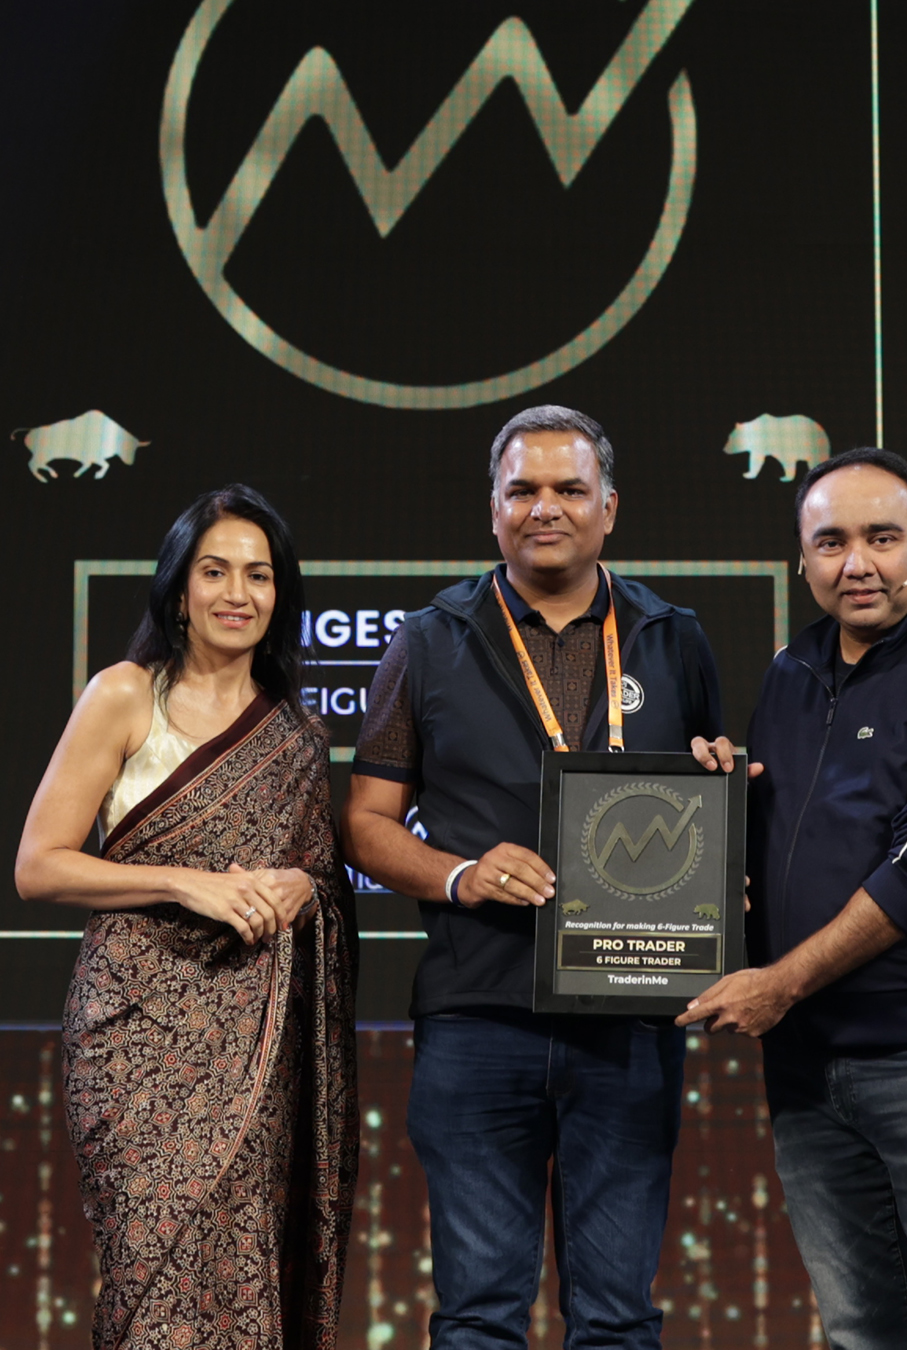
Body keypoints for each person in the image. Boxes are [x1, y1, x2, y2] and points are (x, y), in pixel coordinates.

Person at [342, 405, 726, 1349]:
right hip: (479, 1017)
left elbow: (711, 800)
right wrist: (460, 874)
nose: (544, 507)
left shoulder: (675, 638)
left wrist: (723, 804)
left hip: (629, 1023)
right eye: (522, 490)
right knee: (477, 1318)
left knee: (618, 1320)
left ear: (609, 508)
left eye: (568, 489)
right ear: (493, 508)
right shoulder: (426, 640)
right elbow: (364, 824)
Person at [678, 448, 907, 1349]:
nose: (857, 564)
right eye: (831, 542)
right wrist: (711, 805)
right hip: (809, 1068)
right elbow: (778, 846)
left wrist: (781, 984)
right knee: (860, 1331)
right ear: (802, 559)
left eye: (883, 538)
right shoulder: (790, 673)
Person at [15, 485, 359, 1350]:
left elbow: (321, 876)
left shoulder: (298, 733)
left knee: (242, 1269)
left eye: (259, 575)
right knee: (152, 1273)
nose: (237, 593)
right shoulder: (125, 694)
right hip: (134, 1033)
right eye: (215, 571)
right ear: (178, 590)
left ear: (279, 596)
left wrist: (304, 888)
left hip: (255, 1049)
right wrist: (184, 883)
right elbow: (39, 867)